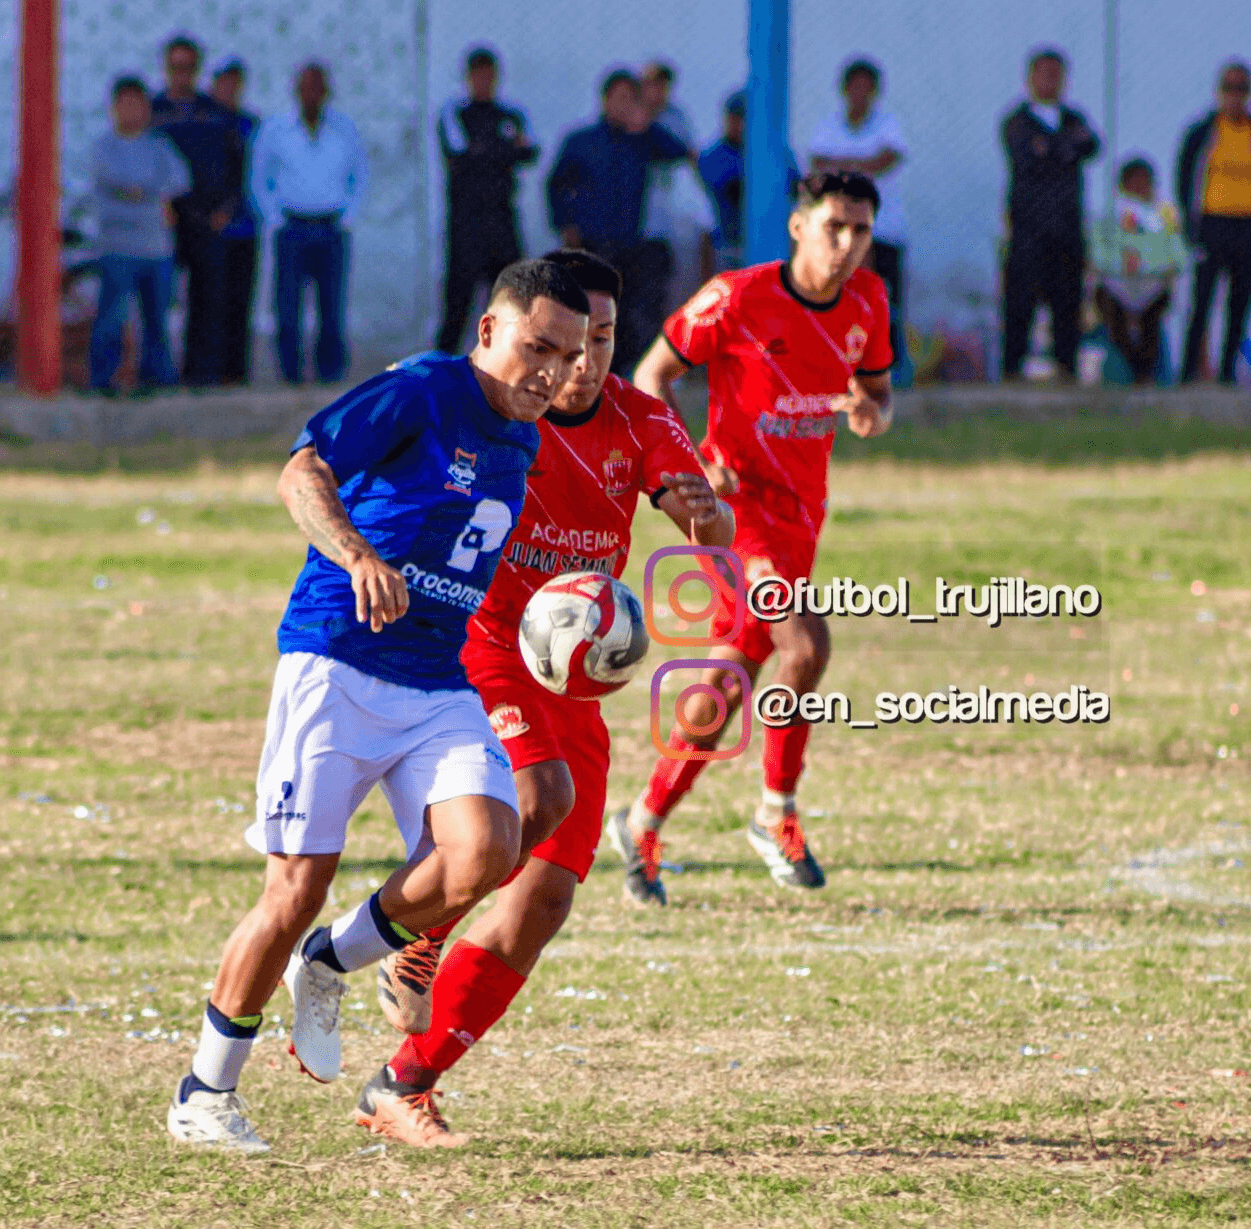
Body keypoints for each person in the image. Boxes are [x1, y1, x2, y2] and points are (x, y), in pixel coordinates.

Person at [164, 260, 590, 1152]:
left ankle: (332, 958)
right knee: (292, 888)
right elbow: (300, 471)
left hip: (439, 679)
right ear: (488, 330)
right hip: (337, 659)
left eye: (569, 355)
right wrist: (358, 555)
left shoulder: (526, 438)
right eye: (536, 346)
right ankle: (203, 1093)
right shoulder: (425, 391)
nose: (550, 371)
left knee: (488, 846)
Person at [356, 249, 733, 1148]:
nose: (586, 363)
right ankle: (416, 928)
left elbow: (709, 526)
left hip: (572, 678)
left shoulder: (642, 423)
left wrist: (700, 510)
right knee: (536, 798)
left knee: (544, 902)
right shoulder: (492, 411)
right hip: (483, 647)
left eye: (604, 341)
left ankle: (402, 1083)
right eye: (571, 344)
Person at [615, 171, 893, 905]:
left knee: (728, 678)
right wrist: (693, 463)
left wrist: (872, 412)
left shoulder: (869, 299)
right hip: (737, 517)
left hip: (803, 514)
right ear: (799, 226)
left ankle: (643, 818)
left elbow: (878, 393)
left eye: (860, 231)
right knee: (805, 645)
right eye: (834, 226)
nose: (847, 245)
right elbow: (651, 375)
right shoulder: (737, 297)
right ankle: (776, 812)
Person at [546, 69, 689, 374]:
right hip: (593, 244)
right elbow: (556, 184)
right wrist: (565, 225)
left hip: (632, 244)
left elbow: (679, 151)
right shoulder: (581, 141)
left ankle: (625, 377)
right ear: (605, 100)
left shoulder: (643, 141)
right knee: (589, 312)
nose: (624, 105)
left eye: (630, 99)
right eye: (619, 98)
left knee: (630, 316)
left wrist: (647, 125)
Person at [253, 62, 368, 385]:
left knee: (332, 308)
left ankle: (330, 375)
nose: (312, 95)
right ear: (296, 91)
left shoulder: (345, 130)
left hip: (331, 227)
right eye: (306, 88)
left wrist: (347, 216)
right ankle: (290, 375)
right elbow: (260, 179)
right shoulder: (276, 130)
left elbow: (359, 176)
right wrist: (275, 219)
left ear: (327, 93)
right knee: (287, 308)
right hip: (292, 227)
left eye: (318, 88)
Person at [999, 47, 1100, 381]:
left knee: (1067, 299)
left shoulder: (1074, 118)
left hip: (1067, 226)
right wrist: (1063, 147)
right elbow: (1029, 156)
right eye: (1043, 74)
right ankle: (1012, 369)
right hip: (1028, 228)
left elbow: (1091, 146)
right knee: (1021, 301)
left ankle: (1066, 368)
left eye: (1056, 75)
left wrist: (1053, 147)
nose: (1050, 81)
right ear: (1029, 79)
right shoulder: (1016, 121)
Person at [1177, 61, 1251, 385]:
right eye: (1229, 89)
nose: (1235, 96)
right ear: (1219, 92)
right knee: (1203, 300)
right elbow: (1185, 174)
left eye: (1242, 89)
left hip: (1248, 224)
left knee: (1241, 301)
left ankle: (1227, 371)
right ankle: (1188, 370)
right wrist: (1189, 221)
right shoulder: (1204, 131)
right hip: (1213, 223)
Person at [87, 76, 190, 394]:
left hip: (156, 248)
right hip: (118, 246)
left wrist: (142, 190)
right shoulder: (103, 148)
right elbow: (118, 185)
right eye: (125, 104)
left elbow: (180, 180)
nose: (132, 111)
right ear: (114, 108)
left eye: (138, 104)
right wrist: (150, 192)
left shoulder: (159, 146)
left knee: (157, 318)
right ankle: (104, 379)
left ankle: (157, 377)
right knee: (113, 318)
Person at [434, 47, 537, 355]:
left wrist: (489, 151)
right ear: (467, 78)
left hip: (502, 220)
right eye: (477, 75)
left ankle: (509, 362)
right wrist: (503, 151)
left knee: (511, 298)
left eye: (488, 75)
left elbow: (529, 152)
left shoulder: (511, 116)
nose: (483, 81)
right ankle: (445, 364)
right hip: (466, 223)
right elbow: (459, 153)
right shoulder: (454, 114)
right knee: (458, 300)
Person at [809, 58, 909, 378]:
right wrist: (860, 165)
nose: (860, 93)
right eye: (855, 86)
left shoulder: (887, 124)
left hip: (885, 229)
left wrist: (845, 167)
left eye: (867, 87)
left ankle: (887, 362)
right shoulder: (829, 125)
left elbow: (888, 158)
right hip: (841, 233)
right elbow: (817, 162)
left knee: (884, 299)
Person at [152, 35, 240, 388]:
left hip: (208, 220)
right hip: (166, 221)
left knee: (207, 300)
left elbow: (236, 167)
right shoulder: (155, 113)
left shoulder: (215, 114)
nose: (181, 74)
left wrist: (226, 210)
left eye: (188, 67)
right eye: (176, 67)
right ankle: (158, 372)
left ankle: (201, 374)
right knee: (157, 300)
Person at [1089, 158, 1188, 384]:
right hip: (1117, 285)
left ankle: (1146, 373)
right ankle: (1131, 368)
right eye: (1134, 183)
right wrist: (1122, 264)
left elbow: (1177, 256)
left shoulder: (1164, 216)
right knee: (1113, 315)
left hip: (1151, 286)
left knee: (1151, 320)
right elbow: (1097, 253)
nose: (1139, 188)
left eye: (1144, 182)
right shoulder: (1108, 215)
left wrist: (1150, 266)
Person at [639, 62, 712, 323]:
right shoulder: (635, 115)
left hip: (667, 210)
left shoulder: (675, 117)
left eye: (663, 86)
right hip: (639, 209)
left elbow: (685, 153)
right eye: (652, 85)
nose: (657, 91)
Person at [210, 59, 260, 386]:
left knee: (240, 302)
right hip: (211, 229)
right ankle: (208, 370)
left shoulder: (251, 124)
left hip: (245, 226)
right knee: (211, 302)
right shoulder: (206, 121)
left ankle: (236, 372)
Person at [700, 91, 745, 273]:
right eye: (733, 118)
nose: (737, 124)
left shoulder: (770, 154)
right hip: (724, 242)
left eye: (742, 118)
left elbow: (793, 186)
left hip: (762, 241)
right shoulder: (713, 155)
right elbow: (730, 190)